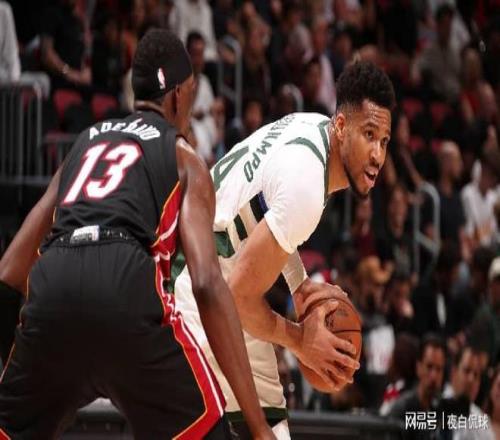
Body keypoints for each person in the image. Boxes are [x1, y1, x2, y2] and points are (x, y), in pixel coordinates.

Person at [0, 29, 274, 440]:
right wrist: (259, 426)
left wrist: (28, 356)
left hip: (53, 282)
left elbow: (8, 271)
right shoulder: (185, 158)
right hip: (124, 282)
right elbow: (206, 282)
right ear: (178, 96)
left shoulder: (83, 146)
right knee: (206, 429)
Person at [173, 60, 395, 437]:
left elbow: (266, 211)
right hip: (199, 288)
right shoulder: (307, 185)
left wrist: (299, 284)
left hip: (210, 266)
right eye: (369, 134)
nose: (377, 155)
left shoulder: (312, 129)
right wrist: (300, 340)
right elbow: (237, 296)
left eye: (384, 141)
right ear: (342, 126)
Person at [442, 346, 495, 440]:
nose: (471, 379)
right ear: (454, 372)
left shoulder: (481, 423)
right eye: (466, 371)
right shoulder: (433, 405)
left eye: (476, 375)